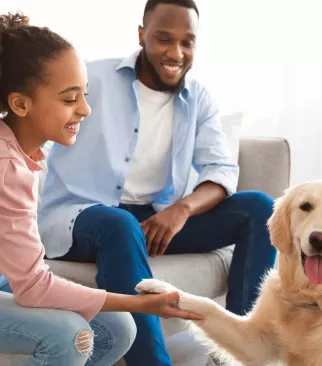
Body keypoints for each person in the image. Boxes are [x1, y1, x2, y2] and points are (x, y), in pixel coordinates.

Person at [0, 13, 202, 366]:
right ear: (20, 104)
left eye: (84, 96)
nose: (85, 109)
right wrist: (140, 303)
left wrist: (128, 308)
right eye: (69, 99)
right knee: (69, 336)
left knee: (119, 327)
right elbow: (34, 286)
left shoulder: (17, 148)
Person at [37, 0, 278, 365]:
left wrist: (182, 209)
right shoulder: (91, 79)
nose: (176, 53)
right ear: (141, 35)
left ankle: (241, 353)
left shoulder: (198, 98)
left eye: (187, 42)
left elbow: (221, 170)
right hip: (82, 215)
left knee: (260, 209)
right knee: (119, 225)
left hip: (155, 218)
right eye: (164, 39)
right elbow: (32, 116)